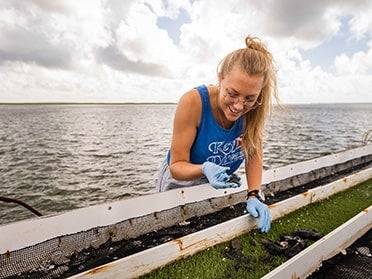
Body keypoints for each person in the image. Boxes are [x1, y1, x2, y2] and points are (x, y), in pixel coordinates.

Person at [156, 35, 280, 233]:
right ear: (220, 77)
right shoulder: (193, 102)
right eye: (232, 94)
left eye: (249, 98)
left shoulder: (253, 108)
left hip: (218, 182)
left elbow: (253, 154)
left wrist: (254, 194)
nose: (239, 106)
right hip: (181, 180)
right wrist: (204, 168)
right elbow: (177, 166)